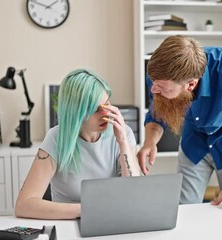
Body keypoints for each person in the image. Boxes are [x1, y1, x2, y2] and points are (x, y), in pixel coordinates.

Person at [137, 35, 222, 215]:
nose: (153, 89)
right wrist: (150, 142)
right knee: (183, 212)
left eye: (161, 87)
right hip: (193, 145)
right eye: (153, 83)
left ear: (191, 84)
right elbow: (157, 113)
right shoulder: (159, 75)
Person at [15, 69, 140, 219]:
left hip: (112, 220)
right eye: (95, 109)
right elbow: (24, 205)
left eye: (107, 105)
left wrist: (123, 143)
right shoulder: (56, 138)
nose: (105, 114)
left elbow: (134, 195)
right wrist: (87, 210)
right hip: (69, 224)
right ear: (76, 113)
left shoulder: (122, 133)